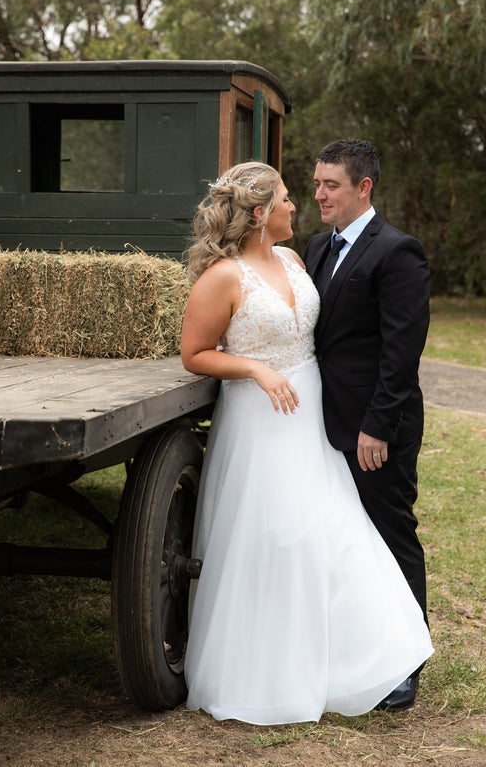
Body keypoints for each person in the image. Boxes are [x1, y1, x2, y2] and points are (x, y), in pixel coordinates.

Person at [181, 160, 432, 725]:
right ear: (259, 212)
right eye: (291, 197)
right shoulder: (224, 277)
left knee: (341, 530)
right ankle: (268, 666)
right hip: (261, 420)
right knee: (275, 537)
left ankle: (379, 656)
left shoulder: (298, 259)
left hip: (315, 420)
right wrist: (256, 369)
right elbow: (194, 352)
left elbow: (373, 338)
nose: (301, 203)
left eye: (320, 188)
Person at [303, 139, 431, 711]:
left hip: (377, 426)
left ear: (364, 188)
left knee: (389, 532)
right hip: (322, 423)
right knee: (346, 539)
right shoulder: (315, 247)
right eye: (316, 183)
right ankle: (358, 647)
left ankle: (406, 663)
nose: (319, 194)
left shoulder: (398, 252)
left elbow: (401, 354)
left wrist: (377, 427)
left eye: (331, 184)